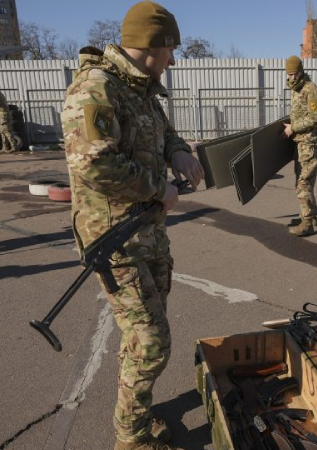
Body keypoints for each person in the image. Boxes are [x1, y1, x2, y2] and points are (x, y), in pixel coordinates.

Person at [60, 2, 203, 449]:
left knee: (143, 335)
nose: (174, 61)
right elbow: (92, 165)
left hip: (147, 231)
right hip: (115, 239)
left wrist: (178, 150)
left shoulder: (141, 90)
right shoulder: (96, 88)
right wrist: (157, 187)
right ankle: (131, 439)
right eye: (171, 50)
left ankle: (136, 411)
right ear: (153, 45)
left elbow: (162, 132)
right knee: (151, 340)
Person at [282, 55, 317, 237]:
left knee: (303, 183)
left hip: (308, 143)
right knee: (303, 180)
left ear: (300, 71)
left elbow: (315, 118)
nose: (290, 78)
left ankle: (307, 222)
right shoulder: (297, 89)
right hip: (300, 143)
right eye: (288, 74)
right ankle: (311, 216)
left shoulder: (310, 90)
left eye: (293, 74)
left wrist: (294, 128)